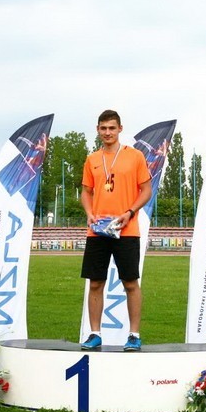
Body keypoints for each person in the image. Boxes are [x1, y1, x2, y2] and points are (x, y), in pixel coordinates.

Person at [80, 110, 152, 352]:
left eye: (112, 128)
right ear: (97, 130)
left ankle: (134, 335)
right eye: (103, 128)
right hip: (98, 230)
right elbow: (86, 192)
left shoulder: (135, 156)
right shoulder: (92, 159)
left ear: (120, 128)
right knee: (95, 283)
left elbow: (146, 190)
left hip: (126, 228)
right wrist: (89, 213)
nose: (107, 132)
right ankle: (95, 334)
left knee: (130, 282)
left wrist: (130, 212)